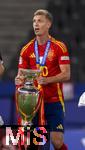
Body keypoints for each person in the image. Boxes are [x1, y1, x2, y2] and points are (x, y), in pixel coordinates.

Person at [15, 9, 70, 150]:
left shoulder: (59, 47)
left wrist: (47, 80)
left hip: (54, 101)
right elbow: (20, 75)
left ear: (49, 24)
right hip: (34, 103)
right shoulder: (26, 49)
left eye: (40, 21)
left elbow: (66, 75)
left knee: (57, 142)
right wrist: (19, 80)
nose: (36, 24)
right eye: (34, 21)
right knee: (33, 143)